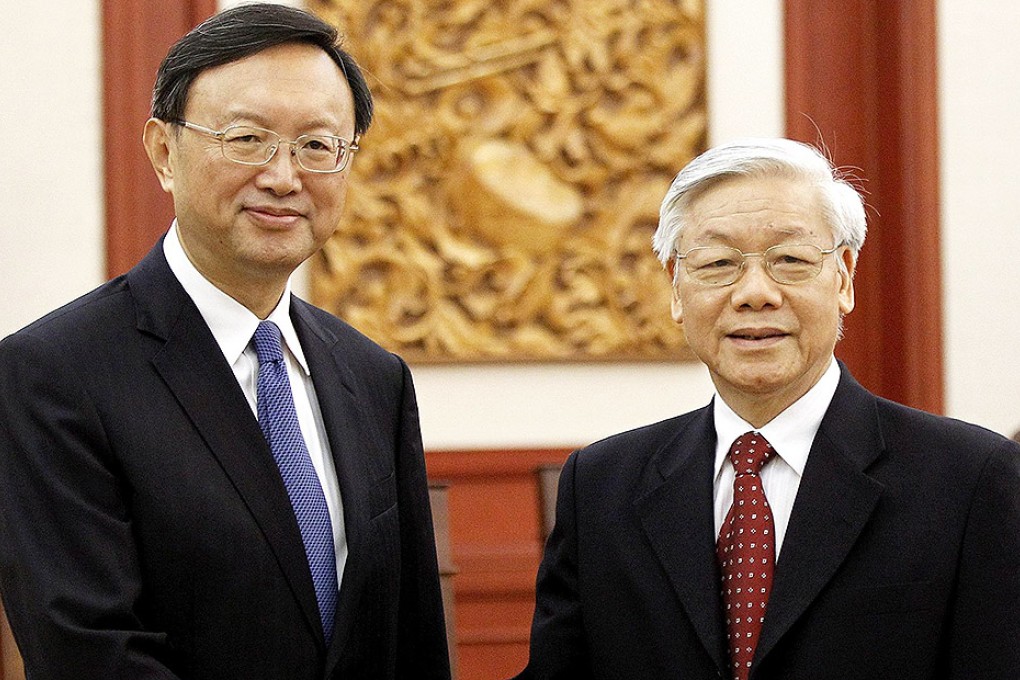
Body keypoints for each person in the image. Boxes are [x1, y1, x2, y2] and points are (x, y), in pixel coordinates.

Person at [0, 5, 450, 679]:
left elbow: (411, 639)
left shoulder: (373, 377)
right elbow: (90, 652)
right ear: (163, 152)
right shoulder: (55, 373)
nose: (283, 176)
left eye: (317, 146)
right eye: (247, 139)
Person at [515, 138, 1020, 680]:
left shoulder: (970, 480)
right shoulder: (600, 486)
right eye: (717, 263)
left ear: (844, 277)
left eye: (790, 260)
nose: (755, 293)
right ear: (677, 292)